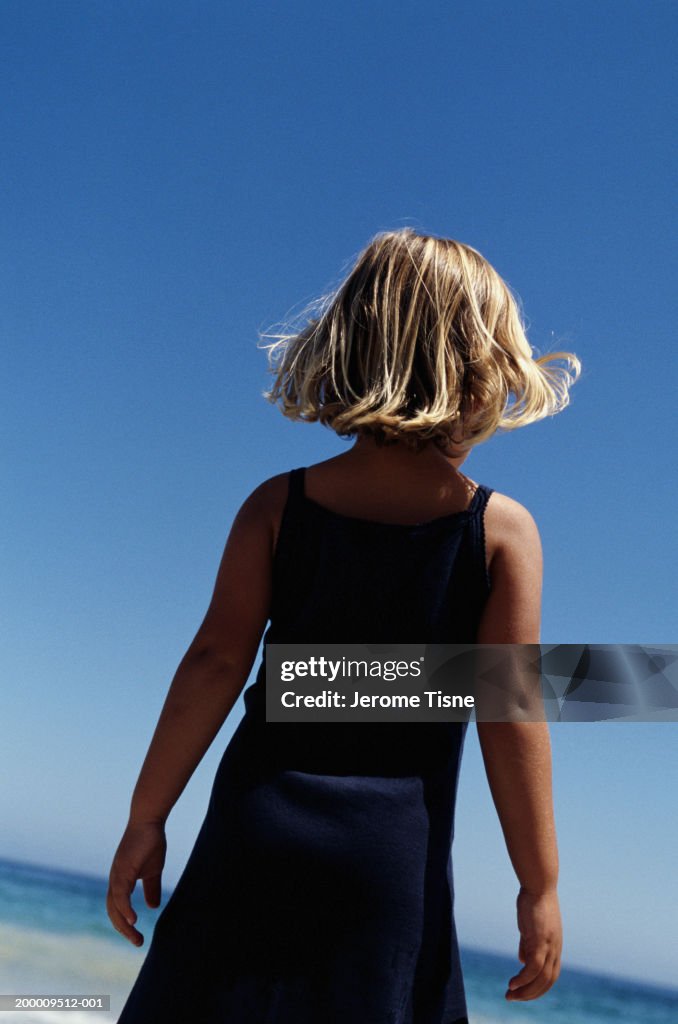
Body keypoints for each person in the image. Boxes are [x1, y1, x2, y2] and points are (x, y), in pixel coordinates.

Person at [107, 227, 580, 1023]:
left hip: (251, 839)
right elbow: (511, 713)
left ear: (349, 347)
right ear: (481, 374)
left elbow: (214, 664)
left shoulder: (277, 506)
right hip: (390, 863)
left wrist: (146, 816)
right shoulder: (500, 532)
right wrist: (540, 884)